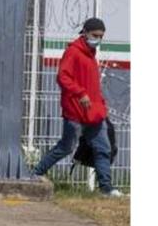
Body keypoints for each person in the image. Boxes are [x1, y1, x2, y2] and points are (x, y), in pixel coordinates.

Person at [31, 17, 123, 197]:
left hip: (94, 114)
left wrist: (101, 105)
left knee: (103, 149)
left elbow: (93, 85)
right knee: (65, 147)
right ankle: (36, 173)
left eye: (101, 36)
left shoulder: (91, 55)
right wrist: (80, 93)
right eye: (95, 35)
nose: (98, 39)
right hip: (75, 113)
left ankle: (106, 188)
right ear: (86, 32)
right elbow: (63, 77)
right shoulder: (73, 52)